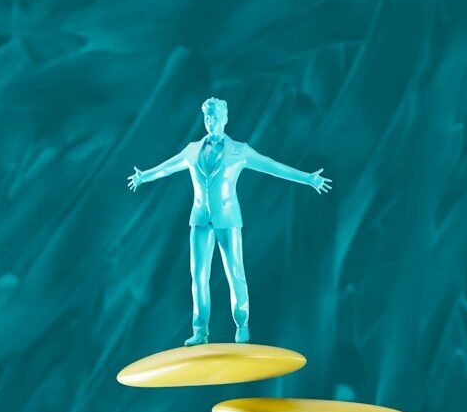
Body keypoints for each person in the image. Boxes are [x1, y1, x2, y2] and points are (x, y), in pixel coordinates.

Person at [128, 98, 332, 345]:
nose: (211, 122)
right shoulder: (192, 150)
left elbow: (272, 166)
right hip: (200, 219)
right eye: (207, 117)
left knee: (235, 272)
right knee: (198, 275)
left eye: (215, 117)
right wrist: (144, 176)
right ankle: (200, 331)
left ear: (225, 118)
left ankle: (242, 323)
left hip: (228, 219)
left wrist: (307, 178)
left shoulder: (240, 151)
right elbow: (167, 167)